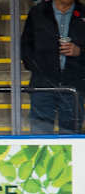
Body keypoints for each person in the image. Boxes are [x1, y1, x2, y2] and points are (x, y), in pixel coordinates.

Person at [21, 0, 85, 134]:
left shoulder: (83, 11)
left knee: (71, 136)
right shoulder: (37, 12)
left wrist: (80, 52)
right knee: (40, 134)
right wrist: (40, 71)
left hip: (74, 86)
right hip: (43, 85)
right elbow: (26, 48)